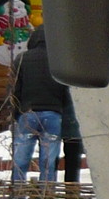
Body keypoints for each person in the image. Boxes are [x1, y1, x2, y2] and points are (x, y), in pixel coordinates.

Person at [9, 25, 72, 185]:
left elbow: (15, 89)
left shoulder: (22, 59)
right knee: (48, 161)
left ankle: (17, 188)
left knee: (21, 156)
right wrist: (62, 110)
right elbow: (67, 90)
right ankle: (47, 192)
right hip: (53, 114)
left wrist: (16, 112)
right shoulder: (60, 61)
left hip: (28, 113)